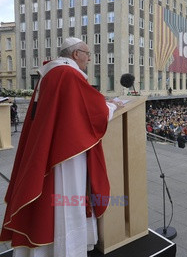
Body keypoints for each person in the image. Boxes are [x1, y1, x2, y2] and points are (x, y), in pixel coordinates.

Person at [1, 38, 123, 257]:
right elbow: (90, 111)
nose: (89, 58)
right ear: (76, 54)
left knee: (53, 198)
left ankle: (48, 248)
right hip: (67, 152)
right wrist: (112, 105)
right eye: (87, 53)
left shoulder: (52, 72)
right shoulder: (69, 74)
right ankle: (67, 249)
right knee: (68, 195)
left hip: (54, 146)